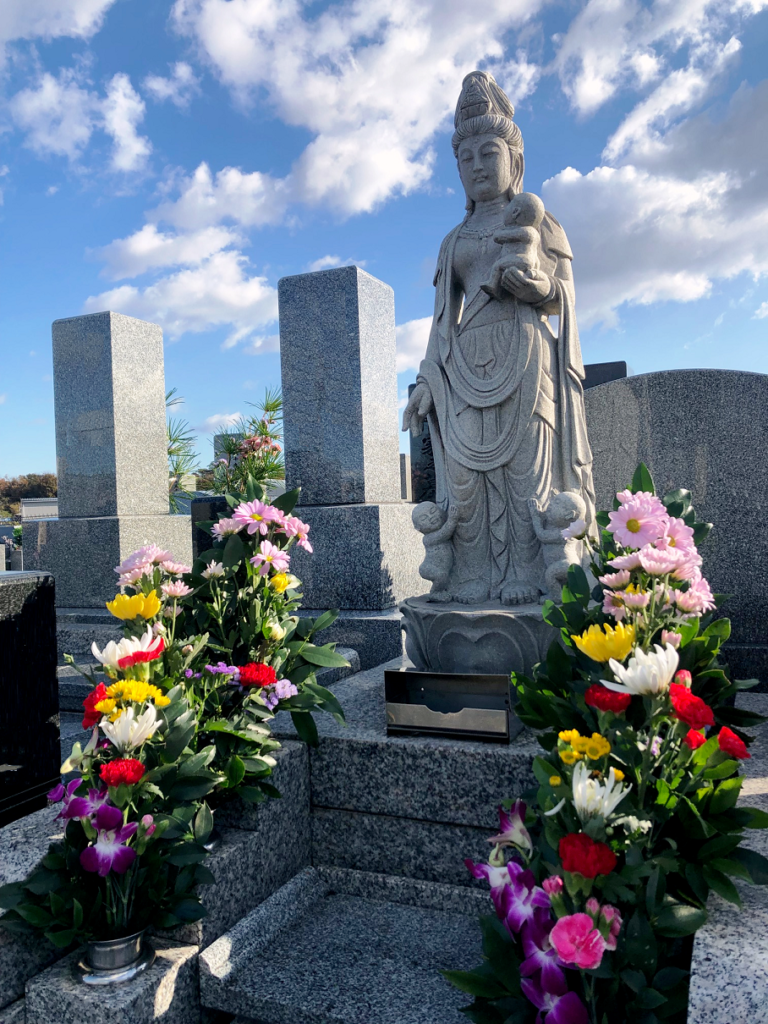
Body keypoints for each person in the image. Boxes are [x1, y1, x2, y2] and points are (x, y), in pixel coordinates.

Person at [402, 71, 595, 606]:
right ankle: (469, 579)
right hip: (464, 365)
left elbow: (564, 296)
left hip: (524, 352)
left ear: (514, 159)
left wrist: (537, 286)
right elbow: (442, 319)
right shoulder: (454, 241)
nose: (477, 166)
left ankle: (533, 579)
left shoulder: (540, 222)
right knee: (465, 481)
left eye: (489, 152)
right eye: (465, 158)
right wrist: (423, 381)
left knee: (524, 473)